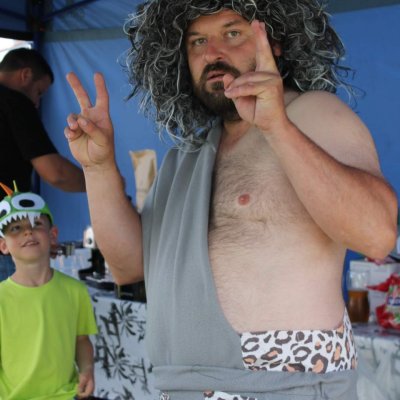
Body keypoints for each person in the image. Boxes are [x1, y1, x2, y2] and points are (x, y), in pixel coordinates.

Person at [64, 1, 398, 399]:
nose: (212, 53)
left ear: (274, 42)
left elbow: (377, 235)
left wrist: (277, 127)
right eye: (197, 41)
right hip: (184, 386)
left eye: (232, 33)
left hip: (285, 386)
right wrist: (98, 167)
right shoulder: (185, 157)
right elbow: (129, 267)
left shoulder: (311, 114)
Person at [0, 182, 97, 400]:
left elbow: (81, 340)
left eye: (36, 224)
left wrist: (87, 370)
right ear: (3, 245)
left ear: (53, 235)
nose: (27, 231)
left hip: (66, 396)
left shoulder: (75, 291)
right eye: (15, 228)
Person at [0, 48, 86, 280]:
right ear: (25, 75)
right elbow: (56, 173)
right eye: (39, 92)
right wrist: (101, 180)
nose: (37, 103)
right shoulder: (14, 102)